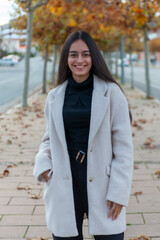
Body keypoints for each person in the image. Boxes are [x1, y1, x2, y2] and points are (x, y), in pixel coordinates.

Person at [33, 30, 133, 240]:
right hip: (63, 180)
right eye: (73, 54)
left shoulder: (112, 93)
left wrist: (119, 191)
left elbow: (124, 147)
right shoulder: (54, 96)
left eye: (86, 54)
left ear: (94, 57)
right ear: (66, 59)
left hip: (103, 182)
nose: (80, 60)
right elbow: (49, 138)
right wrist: (43, 164)